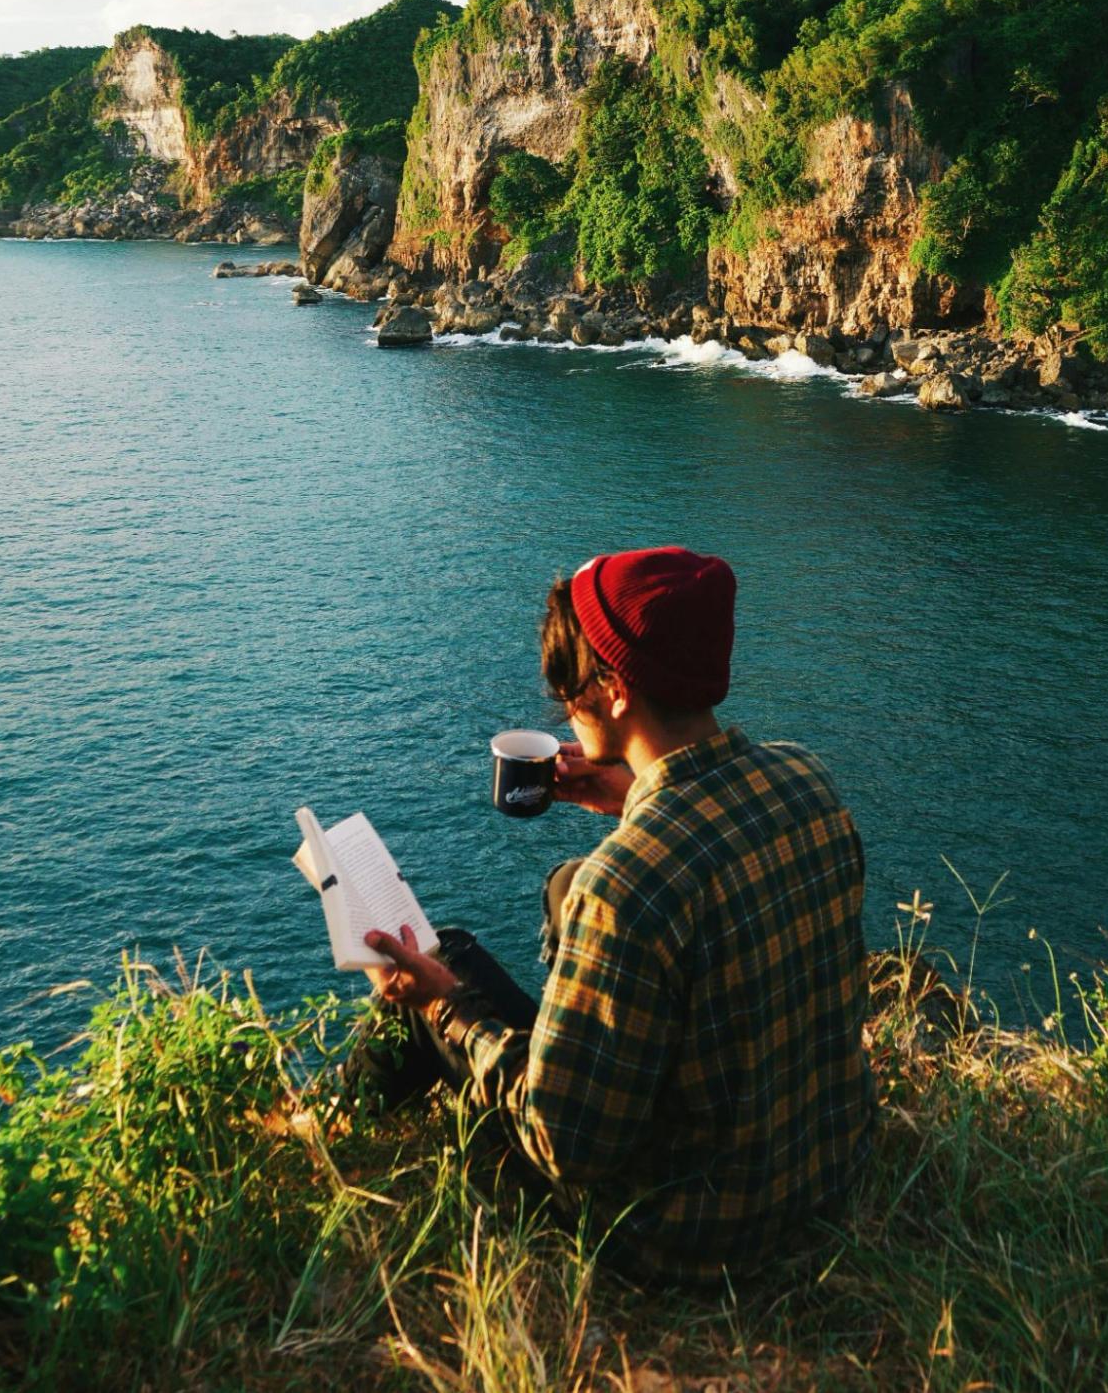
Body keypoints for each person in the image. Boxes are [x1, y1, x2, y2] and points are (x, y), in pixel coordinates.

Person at [349, 545, 875, 1284]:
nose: (563, 703)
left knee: (447, 966)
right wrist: (630, 793)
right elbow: (715, 842)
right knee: (539, 907)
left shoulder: (624, 885)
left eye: (569, 684)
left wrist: (443, 1008)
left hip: (688, 1237)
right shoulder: (807, 777)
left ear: (615, 690)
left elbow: (561, 1143)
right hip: (826, 1173)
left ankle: (334, 1136)